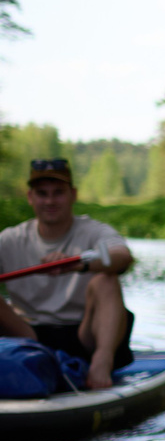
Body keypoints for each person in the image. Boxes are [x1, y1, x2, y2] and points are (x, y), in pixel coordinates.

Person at [0, 159, 136, 390]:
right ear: (30, 197)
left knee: (107, 279)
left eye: (58, 193)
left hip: (84, 335)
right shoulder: (10, 239)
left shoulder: (94, 231)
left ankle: (102, 362)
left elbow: (123, 257)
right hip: (27, 336)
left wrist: (78, 264)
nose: (50, 201)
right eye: (42, 193)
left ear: (73, 195)